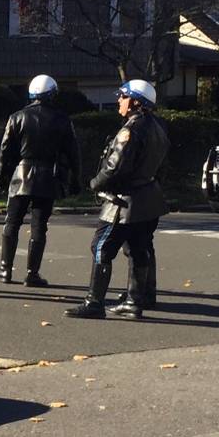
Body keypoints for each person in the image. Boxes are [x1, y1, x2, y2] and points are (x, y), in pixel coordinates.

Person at [65, 79, 169, 320]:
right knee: (139, 249)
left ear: (135, 101)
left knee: (101, 247)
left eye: (122, 96)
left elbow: (115, 166)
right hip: (149, 199)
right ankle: (134, 301)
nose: (118, 101)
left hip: (124, 201)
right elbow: (163, 165)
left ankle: (94, 302)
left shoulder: (130, 129)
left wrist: (95, 182)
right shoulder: (158, 127)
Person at [0, 74, 81, 287]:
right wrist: (76, 178)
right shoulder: (62, 119)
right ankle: (32, 273)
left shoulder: (16, 117)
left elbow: (5, 151)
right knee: (39, 225)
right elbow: (73, 152)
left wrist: (1, 177)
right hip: (48, 176)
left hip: (21, 174)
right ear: (52, 94)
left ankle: (5, 269)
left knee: (12, 222)